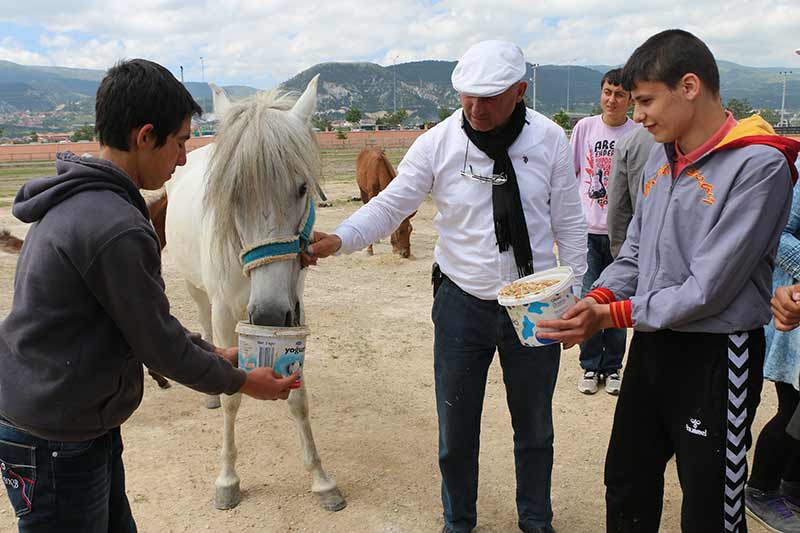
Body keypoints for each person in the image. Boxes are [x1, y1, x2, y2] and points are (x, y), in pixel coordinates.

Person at [0, 59, 299, 532]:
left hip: (68, 417)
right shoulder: (115, 225)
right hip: (57, 433)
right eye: (180, 142)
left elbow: (143, 324)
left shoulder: (80, 201)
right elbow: (159, 345)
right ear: (145, 136)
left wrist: (217, 353)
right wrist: (242, 381)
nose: (184, 159)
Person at [308, 40, 587, 533]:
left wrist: (577, 291)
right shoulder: (438, 142)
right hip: (462, 305)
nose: (476, 109)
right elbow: (392, 205)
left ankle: (536, 521)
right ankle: (458, 523)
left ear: (520, 91)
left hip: (535, 302)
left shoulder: (549, 139)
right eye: (466, 96)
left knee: (535, 427)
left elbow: (569, 221)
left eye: (490, 97)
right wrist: (343, 237)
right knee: (456, 431)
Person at [537, 29, 800, 531]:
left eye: (645, 101)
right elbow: (635, 252)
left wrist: (608, 316)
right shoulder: (659, 155)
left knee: (709, 502)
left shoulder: (759, 165)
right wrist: (596, 296)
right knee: (627, 478)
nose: (637, 116)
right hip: (653, 342)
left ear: (689, 86)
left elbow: (709, 289)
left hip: (717, 353)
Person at [569, 68, 639, 395]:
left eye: (619, 94)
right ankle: (588, 365)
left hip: (622, 235)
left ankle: (612, 367)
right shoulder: (585, 128)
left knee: (615, 300)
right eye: (607, 92)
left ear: (630, 99)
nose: (612, 100)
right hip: (587, 231)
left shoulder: (638, 133)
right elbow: (571, 177)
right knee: (588, 297)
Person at [745, 160, 800, 533]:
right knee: (794, 407)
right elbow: (778, 232)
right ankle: (761, 489)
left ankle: (792, 485)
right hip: (793, 309)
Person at [606, 126, 655, 258]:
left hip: (644, 249)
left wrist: (621, 255)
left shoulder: (629, 142)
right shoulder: (709, 140)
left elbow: (617, 207)